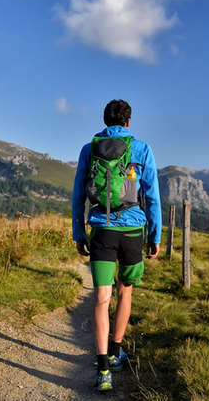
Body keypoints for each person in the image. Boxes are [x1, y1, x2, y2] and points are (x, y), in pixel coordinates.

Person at [71, 99, 161, 392]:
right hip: (133, 231)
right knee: (126, 291)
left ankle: (102, 371)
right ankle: (116, 352)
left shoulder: (89, 149)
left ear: (104, 120)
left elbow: (77, 197)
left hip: (101, 230)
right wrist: (155, 235)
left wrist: (79, 232)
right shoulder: (142, 149)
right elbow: (153, 197)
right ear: (128, 122)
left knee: (101, 298)